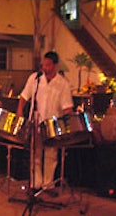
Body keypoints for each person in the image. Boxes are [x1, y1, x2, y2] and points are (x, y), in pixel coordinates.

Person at [16, 51, 73, 196]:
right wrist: (20, 111)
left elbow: (67, 107)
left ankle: (48, 184)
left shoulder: (63, 84)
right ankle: (36, 184)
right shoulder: (35, 79)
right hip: (36, 122)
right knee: (35, 154)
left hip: (52, 124)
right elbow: (24, 96)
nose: (45, 68)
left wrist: (67, 124)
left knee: (51, 155)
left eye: (48, 65)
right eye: (43, 64)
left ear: (55, 65)